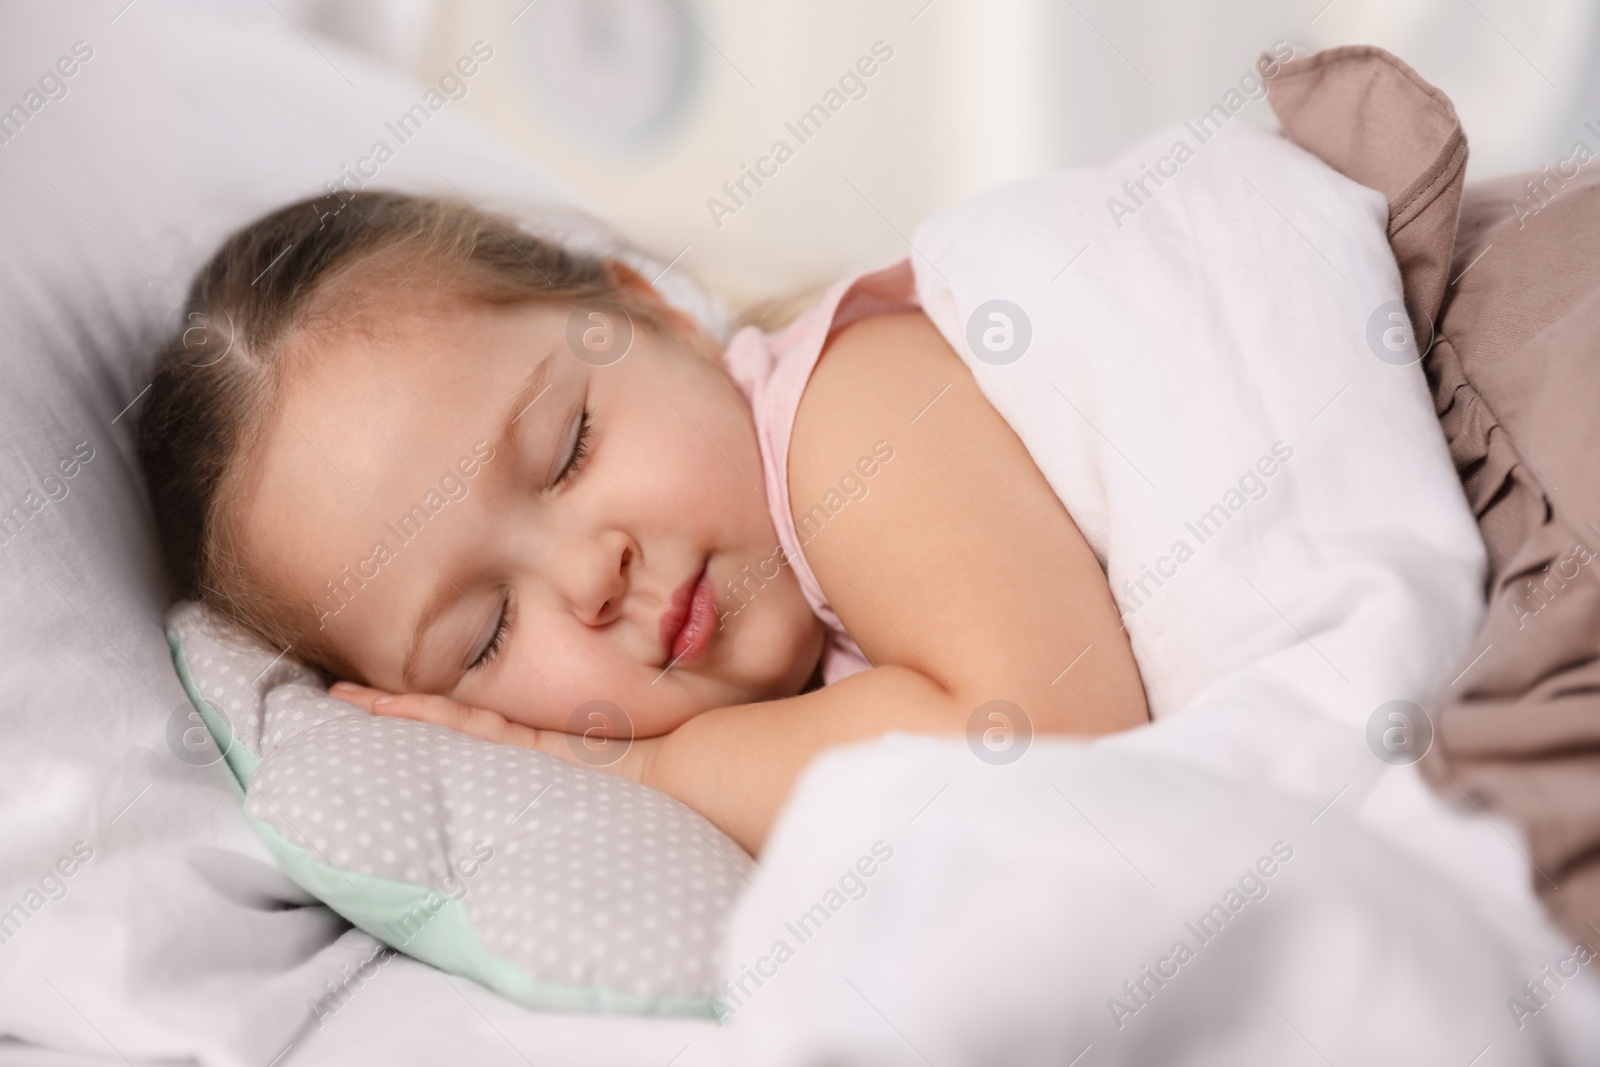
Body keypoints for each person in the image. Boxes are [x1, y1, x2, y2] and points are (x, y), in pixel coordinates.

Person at [138, 191, 1149, 853]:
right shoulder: (767, 745)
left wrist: (646, 765)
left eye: (568, 446)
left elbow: (1047, 740)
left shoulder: (846, 407)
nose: (592, 579)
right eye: (484, 634)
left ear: (653, 313)